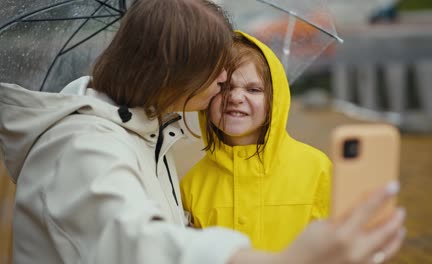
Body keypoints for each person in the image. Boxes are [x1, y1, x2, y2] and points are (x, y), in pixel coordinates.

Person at [0, 0, 405, 263]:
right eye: (218, 71)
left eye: (248, 85)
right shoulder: (81, 149)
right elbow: (141, 245)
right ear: (173, 71)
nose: (225, 82)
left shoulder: (146, 137)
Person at [181, 31, 331, 251]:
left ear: (274, 100)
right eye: (224, 87)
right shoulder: (192, 185)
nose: (235, 97)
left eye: (253, 89)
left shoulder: (317, 169)